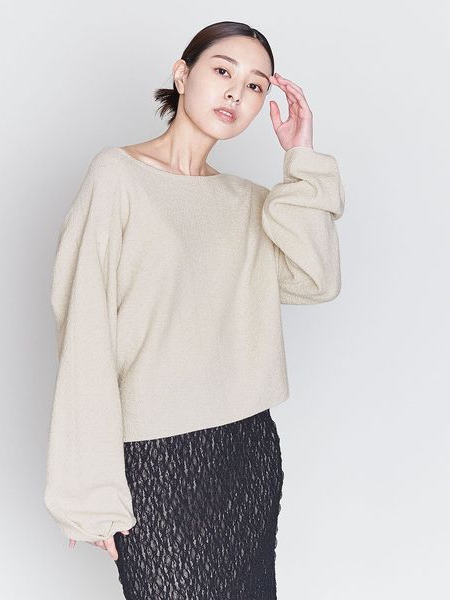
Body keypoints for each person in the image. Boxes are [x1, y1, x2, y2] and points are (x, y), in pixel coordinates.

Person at [44, 20, 345, 599]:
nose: (236, 92)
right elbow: (85, 332)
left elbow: (318, 279)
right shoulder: (118, 176)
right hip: (155, 459)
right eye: (223, 70)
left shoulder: (249, 202)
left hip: (246, 451)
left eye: (255, 85)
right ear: (182, 75)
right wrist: (89, 493)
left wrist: (301, 157)